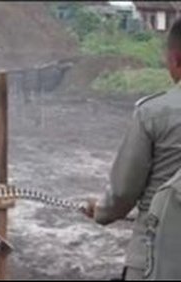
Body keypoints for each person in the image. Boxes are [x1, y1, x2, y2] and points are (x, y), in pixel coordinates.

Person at [81, 18, 181, 280]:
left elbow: (124, 192)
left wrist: (101, 211)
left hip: (156, 256)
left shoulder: (153, 113)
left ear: (176, 60)